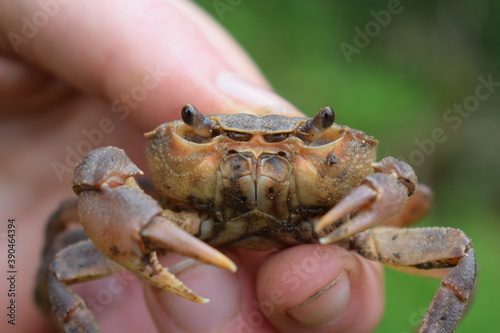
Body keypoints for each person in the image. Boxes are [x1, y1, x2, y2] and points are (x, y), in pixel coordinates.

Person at [0, 0, 384, 332]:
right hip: (171, 217)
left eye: (303, 143)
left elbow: (399, 179)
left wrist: (381, 207)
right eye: (205, 139)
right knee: (62, 263)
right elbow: (91, 190)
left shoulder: (361, 197)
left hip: (329, 220)